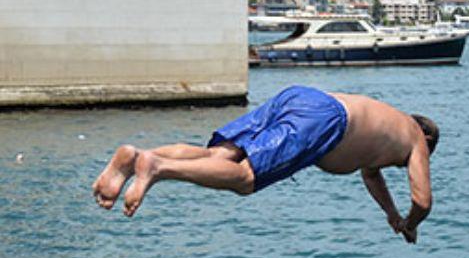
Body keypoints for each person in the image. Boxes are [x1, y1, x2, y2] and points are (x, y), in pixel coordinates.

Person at [91, 86, 437, 243]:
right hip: (324, 119)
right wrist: (411, 223)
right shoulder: (416, 136)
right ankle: (158, 168)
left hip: (302, 97)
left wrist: (391, 215)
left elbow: (371, 174)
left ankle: (137, 157)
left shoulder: (387, 126)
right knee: (244, 179)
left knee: (219, 157)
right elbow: (423, 200)